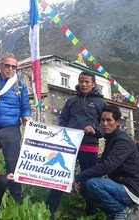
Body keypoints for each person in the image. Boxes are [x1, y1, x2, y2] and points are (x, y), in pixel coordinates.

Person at [46, 70, 107, 216]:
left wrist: (95, 131)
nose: (84, 84)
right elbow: (63, 120)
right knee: (61, 176)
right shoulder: (71, 101)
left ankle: (92, 212)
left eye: (87, 82)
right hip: (70, 146)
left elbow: (106, 126)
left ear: (94, 84)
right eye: (81, 81)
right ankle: (50, 211)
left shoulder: (101, 103)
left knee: (89, 180)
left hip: (89, 146)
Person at [72, 105, 139, 219]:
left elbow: (106, 167)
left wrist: (78, 177)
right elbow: (101, 164)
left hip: (129, 191)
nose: (105, 124)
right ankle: (112, 211)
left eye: (109, 120)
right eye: (102, 120)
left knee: (92, 184)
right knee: (84, 186)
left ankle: (121, 210)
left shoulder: (122, 141)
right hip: (117, 187)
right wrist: (80, 180)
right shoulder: (111, 139)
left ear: (118, 122)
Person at [0, 52, 32, 203]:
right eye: (7, 66)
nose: (10, 69)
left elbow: (25, 106)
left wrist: (26, 115)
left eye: (13, 67)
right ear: (0, 66)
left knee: (13, 165)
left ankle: (16, 201)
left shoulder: (20, 85)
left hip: (11, 129)